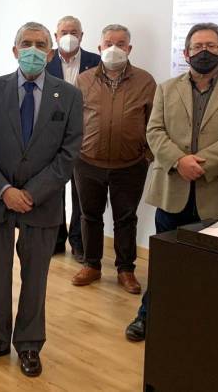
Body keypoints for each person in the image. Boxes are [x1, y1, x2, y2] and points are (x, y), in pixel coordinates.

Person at [125, 22, 218, 342]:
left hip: (217, 193)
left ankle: (203, 325)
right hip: (173, 190)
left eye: (211, 46)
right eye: (198, 46)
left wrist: (199, 164)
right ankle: (149, 314)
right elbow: (154, 131)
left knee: (214, 266)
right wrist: (179, 161)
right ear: (186, 53)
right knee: (166, 262)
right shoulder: (166, 89)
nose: (204, 52)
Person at [0, 22, 82, 378]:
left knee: (36, 278)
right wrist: (5, 190)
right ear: (15, 50)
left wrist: (31, 192)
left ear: (50, 53)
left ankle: (30, 344)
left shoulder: (69, 95)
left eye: (40, 44)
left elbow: (68, 154)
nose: (33, 50)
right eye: (26, 43)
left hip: (41, 203)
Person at [71, 24, 156, 295]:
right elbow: (73, 121)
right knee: (89, 216)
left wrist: (147, 156)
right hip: (88, 162)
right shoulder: (83, 80)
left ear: (129, 48)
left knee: (126, 218)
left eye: (120, 44)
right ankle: (92, 265)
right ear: (100, 47)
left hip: (130, 165)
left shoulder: (145, 81)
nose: (114, 49)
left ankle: (125, 269)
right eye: (109, 43)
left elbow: (154, 122)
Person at [46, 15, 100, 260]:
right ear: (56, 36)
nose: (69, 36)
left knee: (81, 194)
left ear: (82, 36)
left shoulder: (96, 62)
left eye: (74, 32)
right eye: (64, 32)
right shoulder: (45, 61)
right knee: (53, 190)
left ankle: (78, 241)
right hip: (50, 137)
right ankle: (56, 239)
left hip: (84, 136)